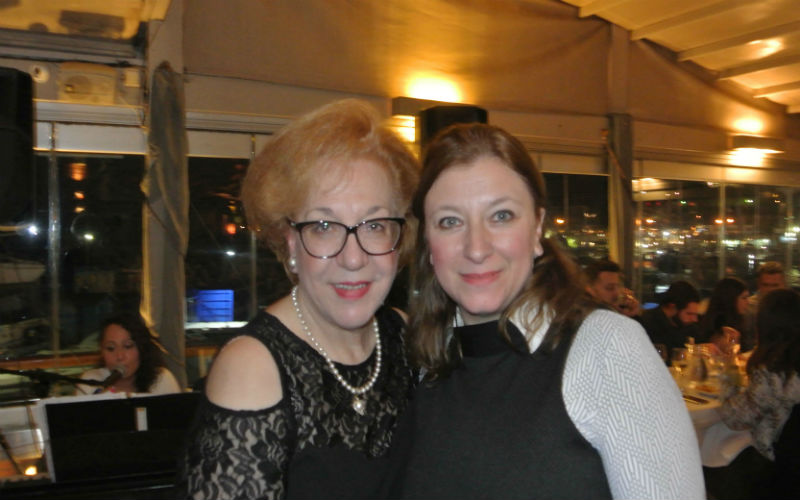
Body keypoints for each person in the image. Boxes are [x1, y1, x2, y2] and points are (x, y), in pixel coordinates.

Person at [383, 123, 704, 499]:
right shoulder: (422, 364)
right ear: (427, 241)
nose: (476, 248)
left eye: (501, 216)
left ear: (537, 228)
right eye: (450, 221)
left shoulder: (605, 348)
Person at [178, 99, 418, 499]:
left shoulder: (405, 337)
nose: (353, 258)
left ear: (399, 235)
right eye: (324, 226)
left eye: (374, 225)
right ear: (290, 241)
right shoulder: (252, 368)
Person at [704, 288, 800, 499]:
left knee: (706, 465)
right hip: (789, 465)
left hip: (774, 470)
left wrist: (728, 371)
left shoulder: (774, 371)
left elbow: (733, 418)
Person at [74, 312, 180, 395]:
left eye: (128, 346)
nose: (120, 356)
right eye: (110, 348)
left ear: (141, 348)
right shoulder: (91, 383)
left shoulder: (162, 380)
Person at [638, 280, 701, 356]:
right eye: (689, 314)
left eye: (695, 314)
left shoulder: (689, 327)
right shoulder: (648, 324)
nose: (695, 319)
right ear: (672, 307)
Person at [698, 277, 749, 355]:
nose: (747, 302)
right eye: (744, 298)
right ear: (731, 299)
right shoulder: (718, 325)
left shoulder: (739, 320)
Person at [744, 261, 786, 350]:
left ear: (783, 285)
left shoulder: (794, 307)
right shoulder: (748, 307)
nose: (770, 290)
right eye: (765, 285)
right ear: (758, 284)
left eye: (775, 285)